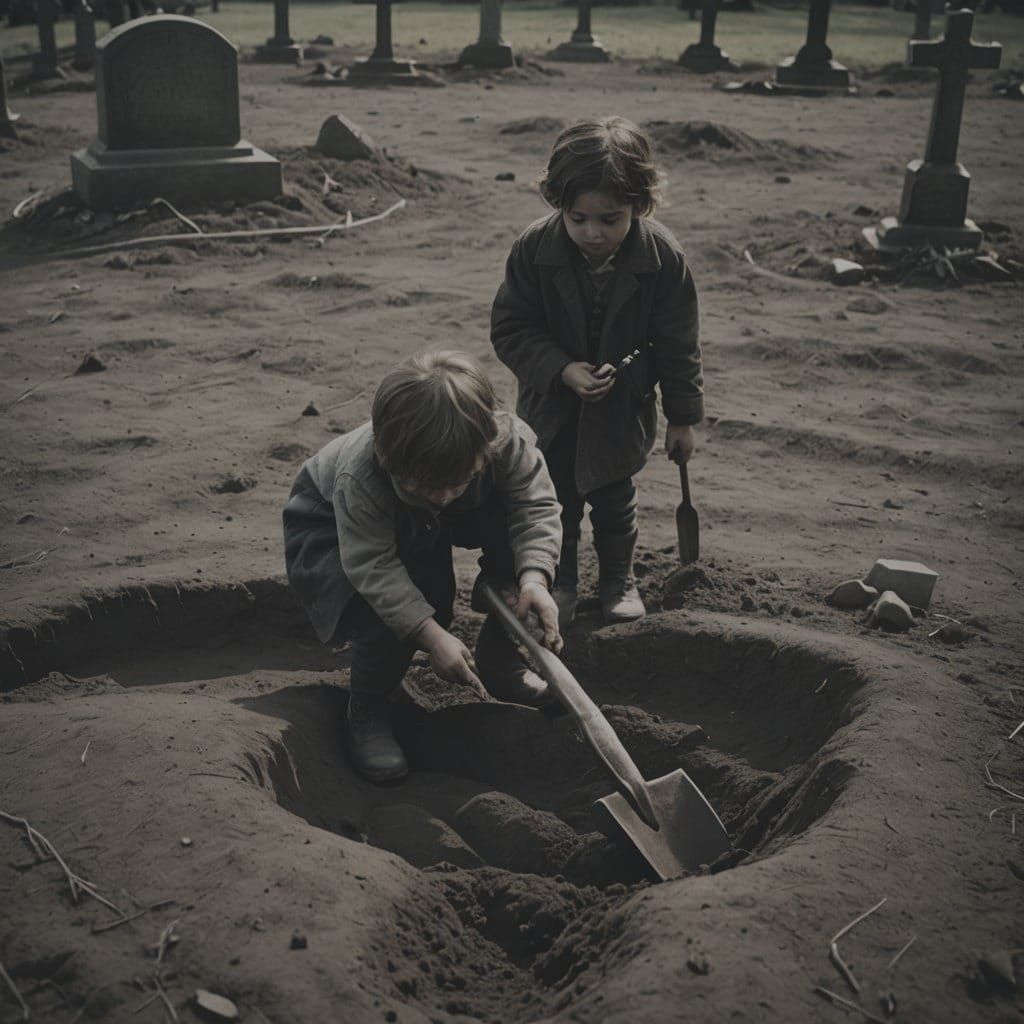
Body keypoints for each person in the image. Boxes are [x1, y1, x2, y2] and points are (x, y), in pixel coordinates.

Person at [282, 351, 563, 784]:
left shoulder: (505, 442)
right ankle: (369, 705)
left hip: (426, 514)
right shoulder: (361, 479)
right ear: (386, 454)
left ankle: (500, 656)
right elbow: (374, 568)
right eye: (429, 486)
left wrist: (534, 578)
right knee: (397, 609)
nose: (445, 495)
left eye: (458, 481)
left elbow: (535, 507)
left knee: (519, 543)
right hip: (337, 528)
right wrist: (431, 636)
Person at [491, 116, 704, 628]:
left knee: (615, 501)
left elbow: (679, 345)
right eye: (577, 218)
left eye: (610, 219)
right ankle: (559, 581)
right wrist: (561, 369)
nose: (593, 232)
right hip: (551, 410)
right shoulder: (532, 251)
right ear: (558, 206)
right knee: (553, 500)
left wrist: (682, 418)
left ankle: (617, 579)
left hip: (620, 410)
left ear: (639, 205)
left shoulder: (664, 260)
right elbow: (510, 329)